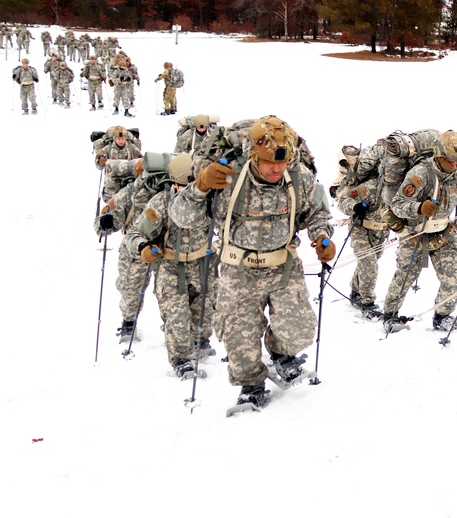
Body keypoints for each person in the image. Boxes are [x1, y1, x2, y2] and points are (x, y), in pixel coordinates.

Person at [168, 115, 334, 408]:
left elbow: (318, 212)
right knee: (239, 341)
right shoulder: (227, 176)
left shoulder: (298, 176)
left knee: (300, 331)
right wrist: (201, 186)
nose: (276, 168)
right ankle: (251, 383)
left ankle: (281, 352)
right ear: (253, 153)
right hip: (237, 271)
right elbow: (181, 217)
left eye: (282, 162)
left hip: (283, 268)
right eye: (270, 161)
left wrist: (322, 237)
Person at [381, 130, 457, 333]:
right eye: (451, 161)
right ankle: (390, 315)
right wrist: (418, 207)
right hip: (415, 234)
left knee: (453, 276)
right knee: (404, 276)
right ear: (440, 157)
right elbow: (397, 204)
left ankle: (442, 317)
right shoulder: (421, 174)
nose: (455, 165)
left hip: (443, 233)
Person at [126, 153, 217, 377]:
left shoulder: (211, 200)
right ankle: (181, 359)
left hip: (203, 264)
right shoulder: (161, 203)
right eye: (183, 186)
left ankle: (200, 341)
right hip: (170, 267)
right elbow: (135, 233)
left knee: (203, 319)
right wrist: (143, 249)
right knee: (177, 319)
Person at [96, 165, 163, 344]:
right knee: (131, 291)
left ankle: (176, 334)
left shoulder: (165, 192)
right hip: (133, 250)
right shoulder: (129, 194)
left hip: (163, 250)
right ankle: (128, 322)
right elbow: (104, 221)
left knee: (168, 293)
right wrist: (105, 223)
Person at [332, 144, 388, 320]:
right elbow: (344, 200)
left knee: (368, 263)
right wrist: (356, 207)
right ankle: (367, 303)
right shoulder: (371, 186)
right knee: (369, 264)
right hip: (360, 228)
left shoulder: (395, 188)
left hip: (380, 230)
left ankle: (356, 291)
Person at [94, 125, 142, 202]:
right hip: (113, 182)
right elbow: (99, 166)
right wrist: (100, 161)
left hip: (129, 179)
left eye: (122, 139)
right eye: (119, 139)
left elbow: (141, 161)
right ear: (114, 138)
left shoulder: (132, 148)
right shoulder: (107, 149)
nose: (121, 141)